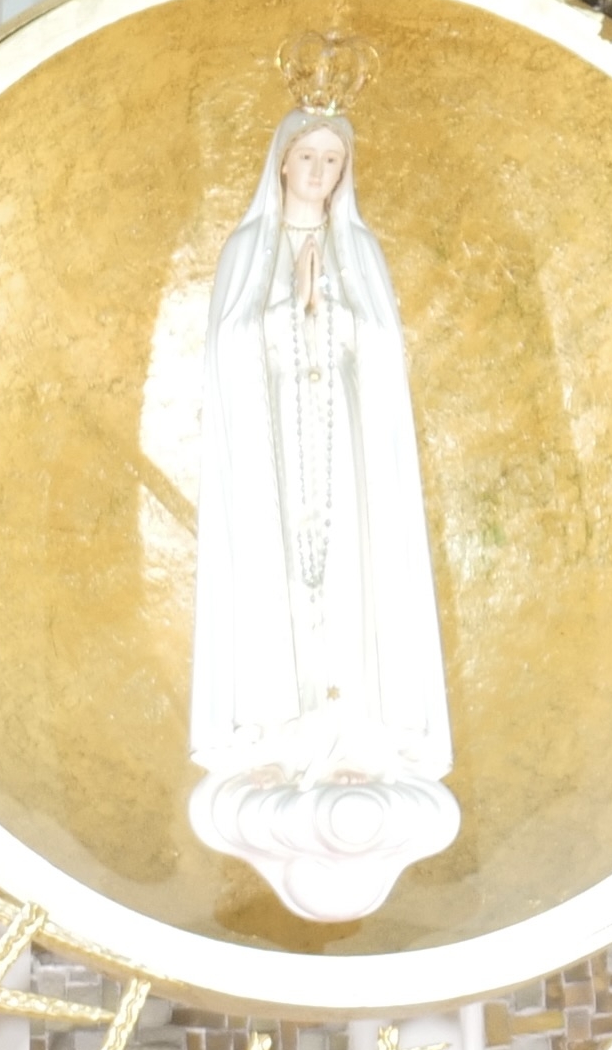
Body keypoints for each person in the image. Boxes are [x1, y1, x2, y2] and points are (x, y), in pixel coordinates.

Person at [186, 93, 457, 923]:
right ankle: (276, 735)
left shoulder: (358, 249)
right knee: (273, 590)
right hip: (271, 462)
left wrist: (330, 309)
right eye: (307, 157)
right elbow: (227, 349)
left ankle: (352, 740)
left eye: (333, 161)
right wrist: (284, 308)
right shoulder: (248, 248)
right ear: (280, 163)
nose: (319, 172)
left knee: (352, 590)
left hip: (345, 458)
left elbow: (382, 348)